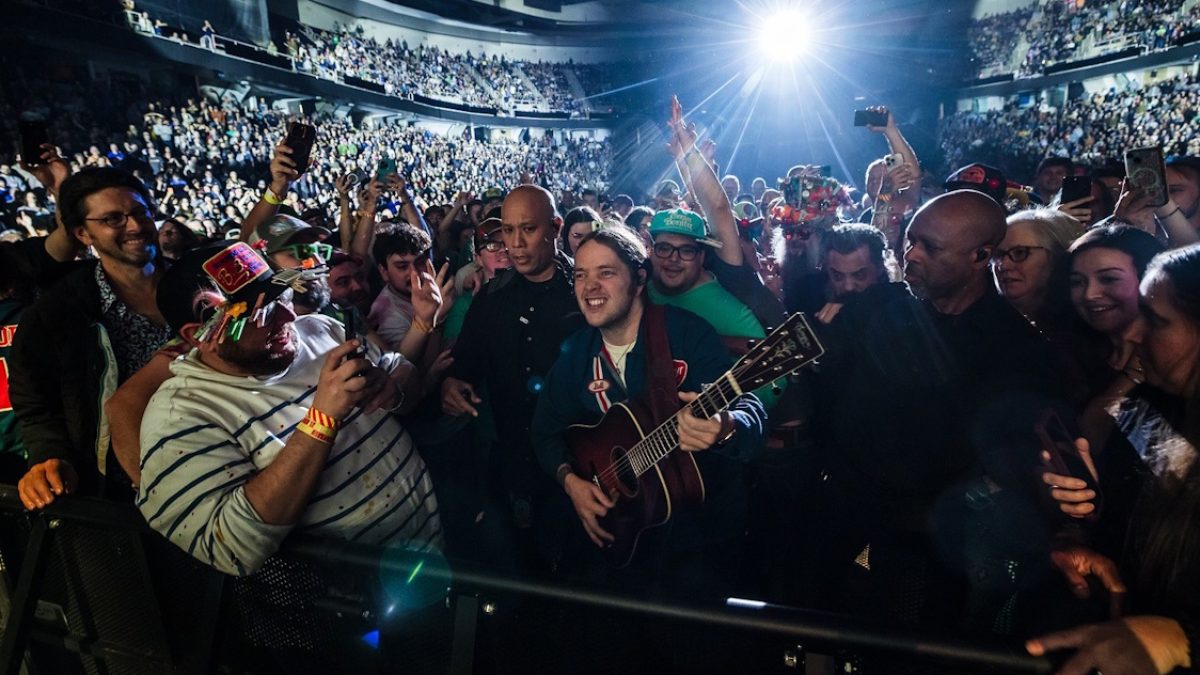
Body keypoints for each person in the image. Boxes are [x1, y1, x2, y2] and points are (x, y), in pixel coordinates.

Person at [811, 190, 1065, 634]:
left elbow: (1005, 470)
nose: (911, 255)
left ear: (980, 256)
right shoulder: (875, 307)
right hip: (837, 519)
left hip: (928, 553)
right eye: (910, 240)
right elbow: (827, 396)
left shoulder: (1019, 352)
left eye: (930, 246)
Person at [138, 242, 437, 575]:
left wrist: (392, 387)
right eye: (263, 313)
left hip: (432, 548)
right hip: (349, 599)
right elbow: (232, 549)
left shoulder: (319, 330)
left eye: (282, 298)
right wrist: (321, 420)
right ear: (198, 334)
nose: (289, 315)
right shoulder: (180, 416)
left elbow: (402, 371)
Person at [532, 226, 766, 590]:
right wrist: (572, 483)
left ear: (639, 278)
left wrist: (727, 425)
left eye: (605, 273)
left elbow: (748, 405)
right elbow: (544, 431)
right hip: (624, 538)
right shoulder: (577, 351)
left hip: (698, 541)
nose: (589, 287)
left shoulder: (687, 333)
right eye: (580, 275)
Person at [1029, 244, 1200, 675]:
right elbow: (1153, 509)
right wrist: (1078, 537)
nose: (1132, 332)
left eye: (1156, 320)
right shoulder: (1149, 411)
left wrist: (1185, 639)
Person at [440, 184, 586, 571]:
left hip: (586, 464)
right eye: (507, 231)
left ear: (555, 227)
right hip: (512, 465)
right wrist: (452, 385)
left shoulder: (586, 294)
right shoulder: (491, 298)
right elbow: (463, 366)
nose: (516, 244)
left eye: (528, 229)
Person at [13, 168, 172, 510]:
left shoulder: (197, 285)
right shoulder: (56, 313)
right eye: (113, 219)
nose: (134, 226)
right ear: (83, 233)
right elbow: (37, 406)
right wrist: (49, 456)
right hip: (117, 497)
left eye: (140, 212)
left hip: (218, 471)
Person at [813, 224, 899, 325]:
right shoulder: (812, 301)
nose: (848, 287)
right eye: (838, 277)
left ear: (879, 267)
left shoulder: (899, 307)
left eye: (859, 275)